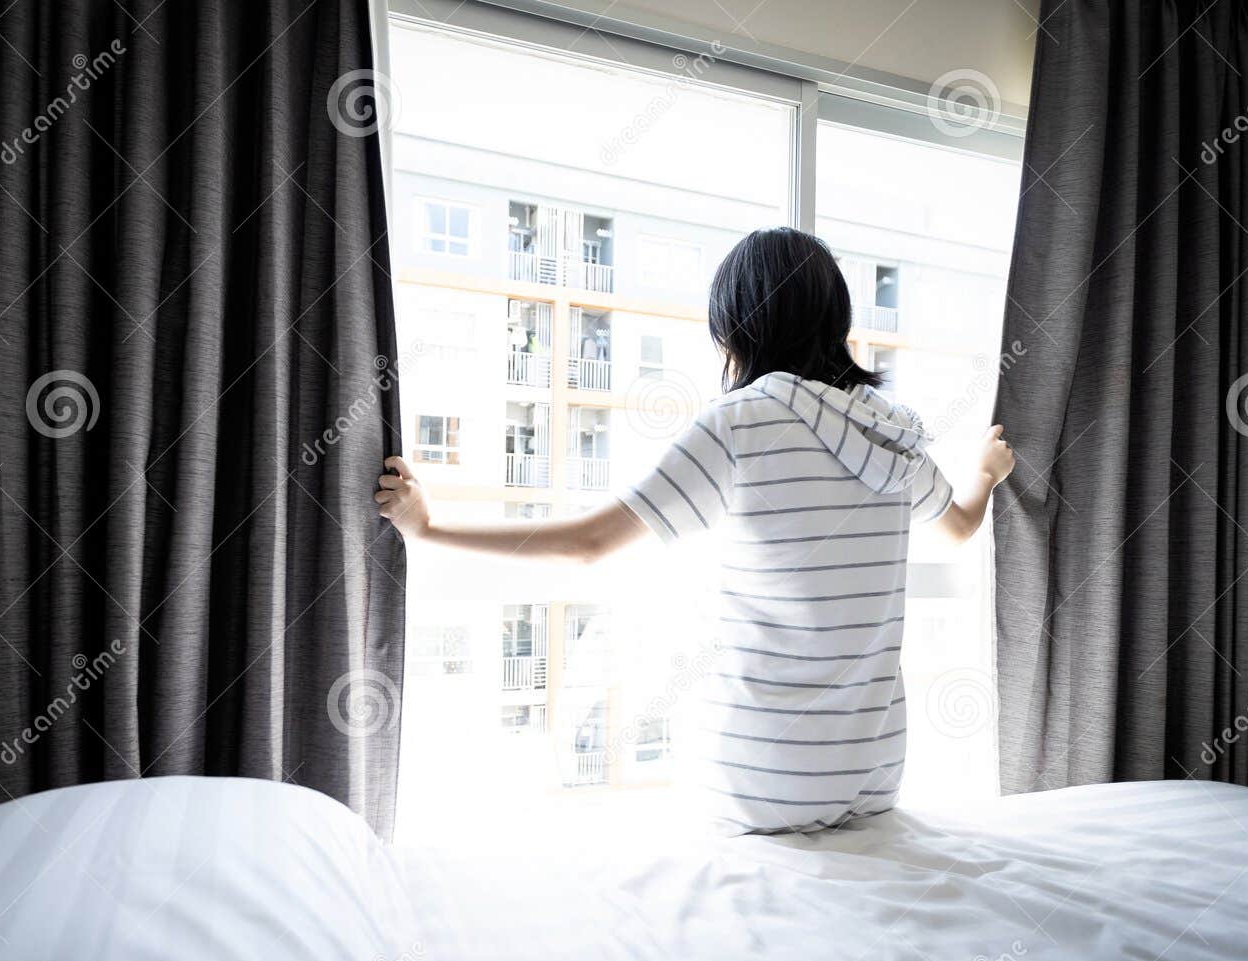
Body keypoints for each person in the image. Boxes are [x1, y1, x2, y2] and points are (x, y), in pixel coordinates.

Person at [374, 226, 1015, 834]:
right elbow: (958, 527)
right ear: (835, 319)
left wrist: (428, 529)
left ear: (737, 327)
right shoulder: (892, 429)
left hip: (764, 777)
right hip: (873, 775)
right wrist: (984, 474)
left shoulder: (744, 420)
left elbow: (589, 543)